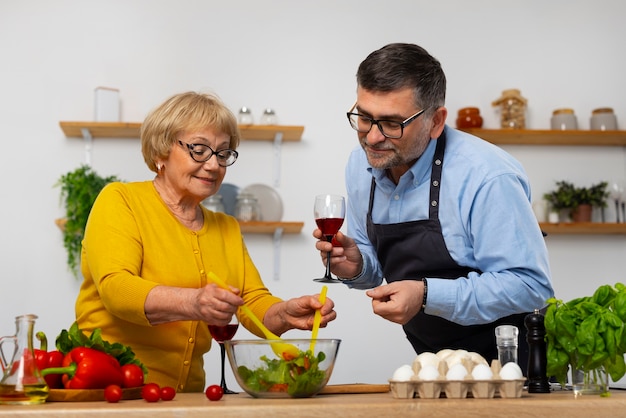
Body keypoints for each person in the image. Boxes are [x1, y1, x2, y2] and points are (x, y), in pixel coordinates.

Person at [76, 91, 336, 392]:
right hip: (112, 389)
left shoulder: (226, 227)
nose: (214, 165)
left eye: (223, 153)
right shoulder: (121, 201)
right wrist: (194, 302)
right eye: (199, 149)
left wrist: (286, 313)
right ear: (161, 152)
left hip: (186, 398)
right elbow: (116, 288)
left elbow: (251, 301)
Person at [314, 43, 553, 369]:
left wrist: (426, 295)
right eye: (364, 117)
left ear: (436, 121)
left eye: (392, 123)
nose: (371, 138)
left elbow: (530, 286)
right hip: (436, 361)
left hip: (514, 361)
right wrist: (355, 265)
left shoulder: (487, 175)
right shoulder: (361, 166)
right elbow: (372, 270)